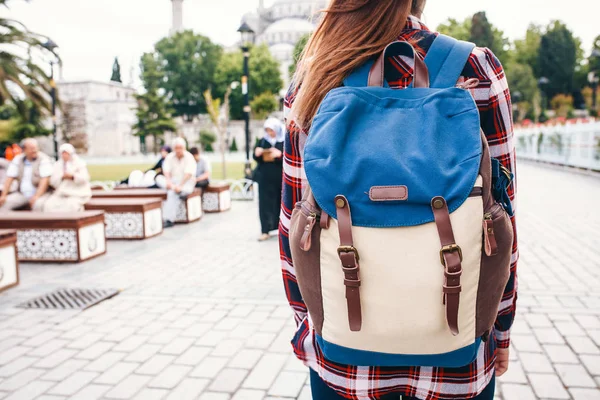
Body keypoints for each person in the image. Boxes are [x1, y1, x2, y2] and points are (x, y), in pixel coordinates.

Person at [279, 1, 518, 399]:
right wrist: (501, 331)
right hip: (456, 357)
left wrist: (310, 324)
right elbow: (503, 217)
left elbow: (292, 225)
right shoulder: (475, 68)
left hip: (343, 360)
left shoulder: (318, 73)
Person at [0, 138, 53, 211]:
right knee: (5, 204)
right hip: (21, 194)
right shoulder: (18, 159)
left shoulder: (44, 159)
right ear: (24, 150)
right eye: (31, 148)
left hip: (41, 195)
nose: (34, 150)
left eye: (36, 148)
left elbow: (45, 180)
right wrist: (3, 195)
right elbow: (10, 177)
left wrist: (36, 196)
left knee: (38, 205)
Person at [254, 117, 284, 241]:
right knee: (264, 204)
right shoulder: (262, 141)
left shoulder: (283, 142)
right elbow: (256, 157)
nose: (270, 133)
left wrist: (280, 155)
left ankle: (280, 228)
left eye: (271, 130)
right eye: (267, 130)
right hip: (265, 179)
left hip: (280, 178)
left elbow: (289, 158)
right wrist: (257, 153)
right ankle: (265, 230)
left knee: (280, 203)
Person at [157, 137, 196, 228]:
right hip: (173, 182)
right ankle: (175, 189)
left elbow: (188, 174)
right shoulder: (170, 157)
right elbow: (166, 171)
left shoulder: (189, 157)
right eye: (176, 148)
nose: (178, 150)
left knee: (172, 193)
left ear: (184, 148)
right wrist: (169, 183)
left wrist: (179, 186)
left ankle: (168, 219)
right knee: (159, 178)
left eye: (180, 148)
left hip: (186, 183)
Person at [44, 143, 92, 212]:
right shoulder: (57, 165)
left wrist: (72, 177)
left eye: (66, 153)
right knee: (48, 205)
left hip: (77, 193)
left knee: (71, 206)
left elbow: (85, 178)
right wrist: (62, 177)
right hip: (61, 193)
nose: (65, 155)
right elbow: (53, 181)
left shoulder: (79, 163)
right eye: (63, 153)